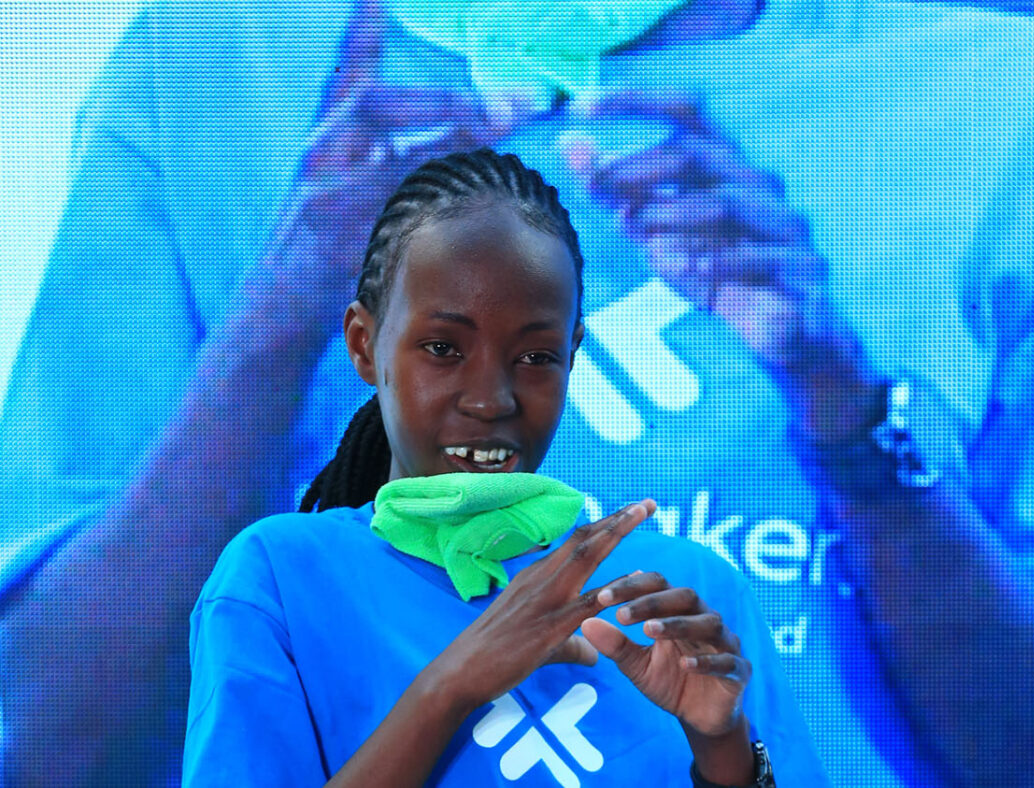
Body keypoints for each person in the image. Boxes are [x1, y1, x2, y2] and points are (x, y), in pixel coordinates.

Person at [0, 0, 1034, 785]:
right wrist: (291, 292)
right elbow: (71, 750)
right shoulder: (206, 71)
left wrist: (843, 407)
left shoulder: (1033, 113)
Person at [180, 148, 824, 786]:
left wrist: (724, 752)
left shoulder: (687, 590)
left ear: (573, 355)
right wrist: (451, 687)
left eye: (536, 356)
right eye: (442, 348)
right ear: (364, 346)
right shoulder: (279, 578)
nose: (492, 398)